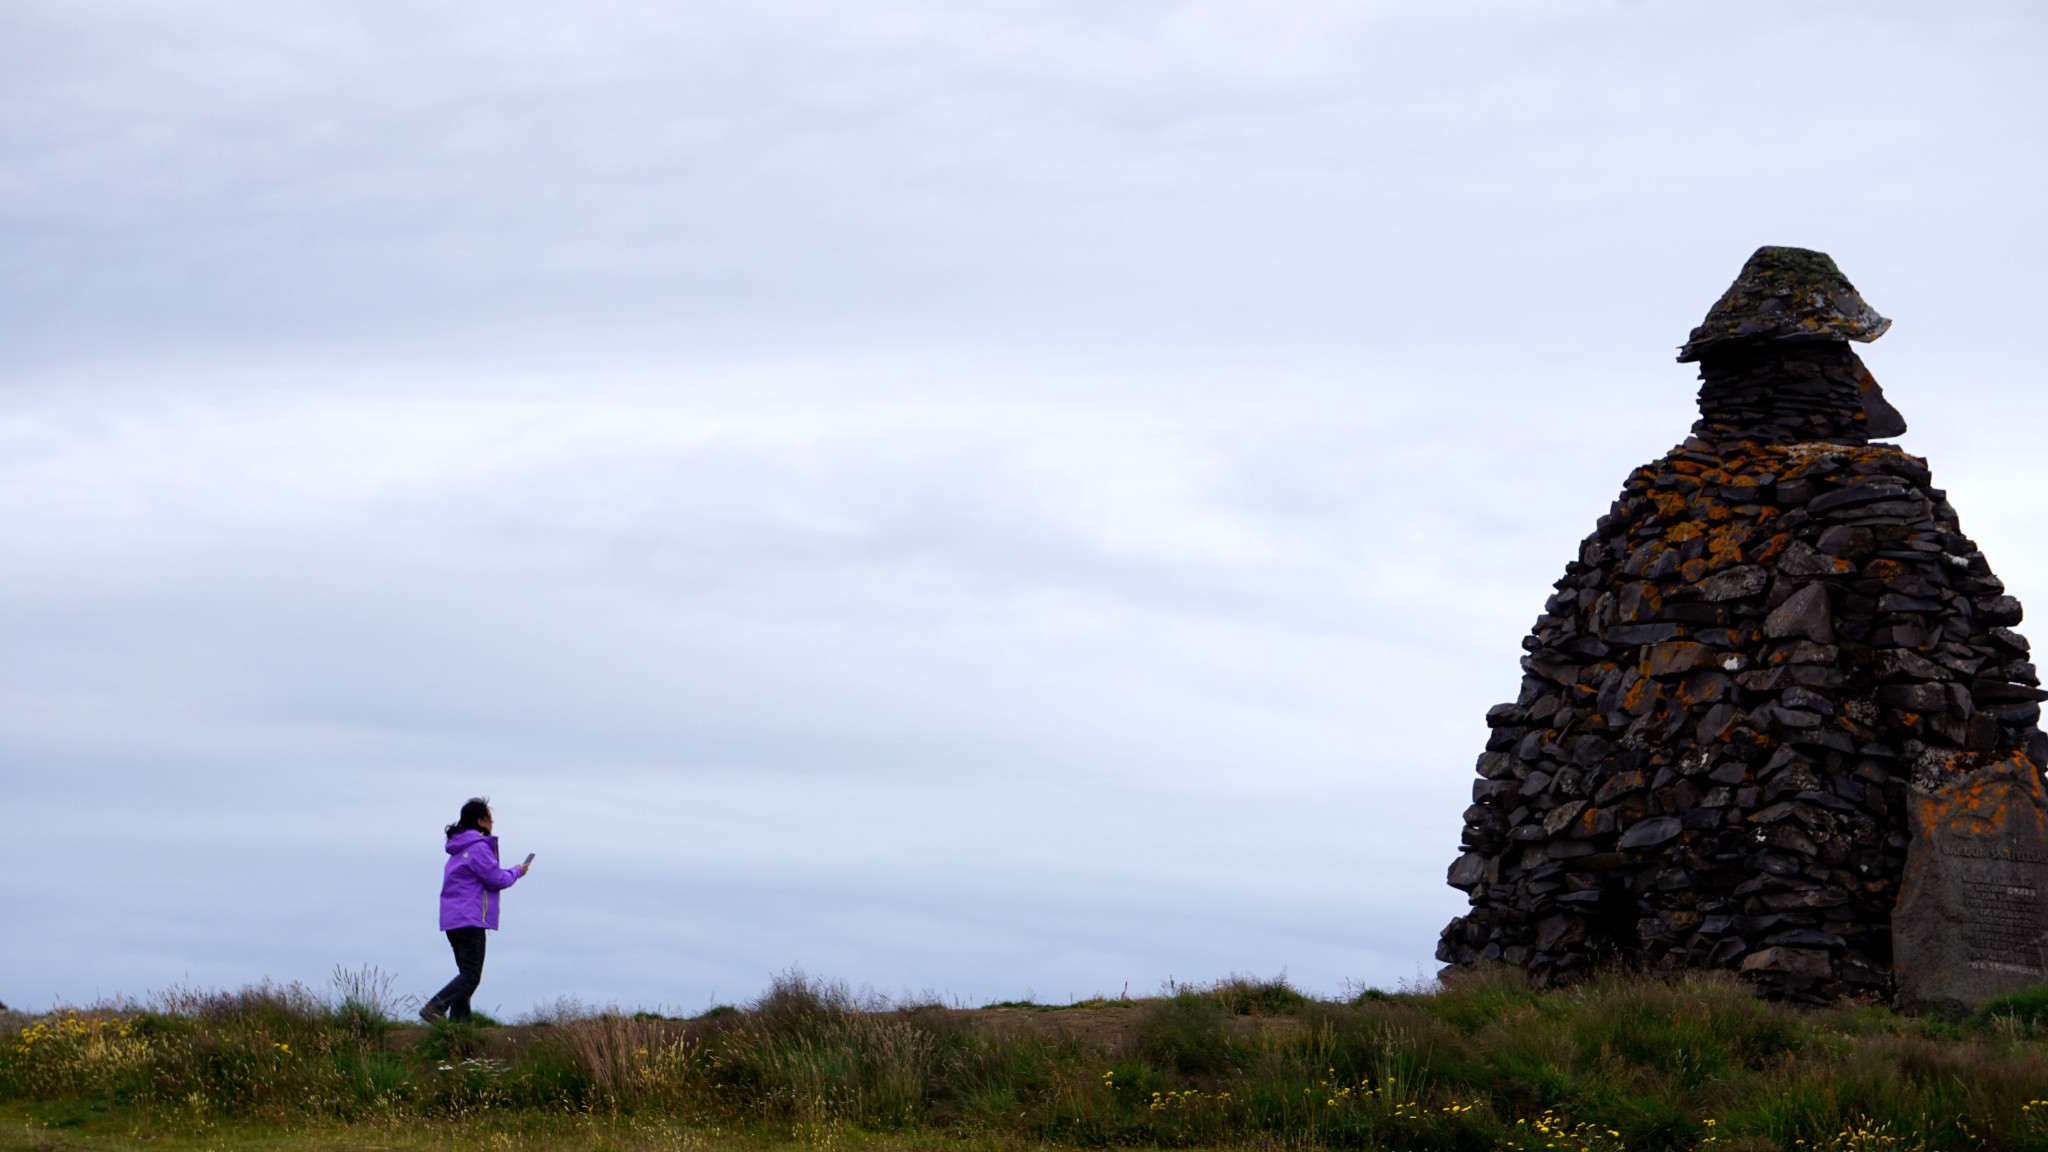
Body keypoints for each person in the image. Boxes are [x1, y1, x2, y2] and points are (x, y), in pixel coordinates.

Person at [420, 798, 530, 1023]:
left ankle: (459, 1028)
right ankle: (434, 1007)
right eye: (490, 818)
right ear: (481, 821)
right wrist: (517, 871)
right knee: (470, 976)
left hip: (452, 920)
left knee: (465, 976)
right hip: (471, 919)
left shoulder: (457, 849)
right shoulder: (478, 847)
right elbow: (497, 879)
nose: (492, 823)